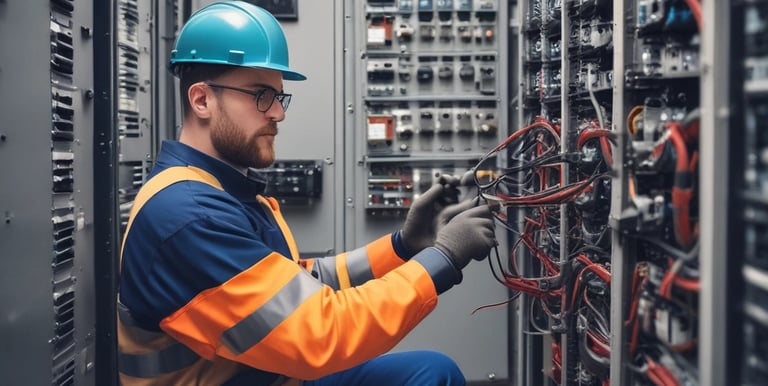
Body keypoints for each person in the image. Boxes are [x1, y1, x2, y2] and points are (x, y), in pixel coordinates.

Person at [116, 2, 497, 385]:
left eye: (279, 98)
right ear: (201, 100)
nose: (278, 114)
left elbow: (297, 284)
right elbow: (321, 333)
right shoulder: (188, 216)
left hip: (266, 374)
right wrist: (443, 258)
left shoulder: (217, 191)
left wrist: (404, 246)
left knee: (432, 372)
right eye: (261, 95)